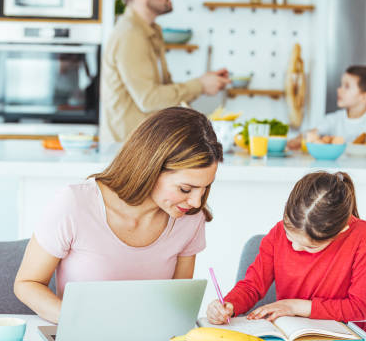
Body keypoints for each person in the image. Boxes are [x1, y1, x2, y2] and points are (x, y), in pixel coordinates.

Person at [14, 107, 223, 323]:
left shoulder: (190, 219)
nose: (196, 202)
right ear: (151, 168)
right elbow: (27, 284)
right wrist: (78, 321)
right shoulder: (75, 204)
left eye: (205, 188)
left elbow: (178, 307)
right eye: (186, 189)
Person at [206, 171, 366, 324]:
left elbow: (357, 309)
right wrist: (228, 305)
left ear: (341, 230)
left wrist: (294, 306)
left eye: (309, 246)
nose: (295, 247)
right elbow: (252, 286)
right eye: (290, 237)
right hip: (292, 337)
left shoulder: (365, 237)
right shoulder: (277, 233)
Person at [101, 0, 230, 143]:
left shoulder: (152, 31)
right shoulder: (130, 34)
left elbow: (163, 90)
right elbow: (149, 99)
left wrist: (204, 83)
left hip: (143, 148)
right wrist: (200, 85)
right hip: (127, 154)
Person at [287, 65, 366, 149]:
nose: (339, 90)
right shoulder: (334, 119)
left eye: (346, 86)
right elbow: (312, 133)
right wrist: (297, 140)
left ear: (364, 97)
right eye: (340, 85)